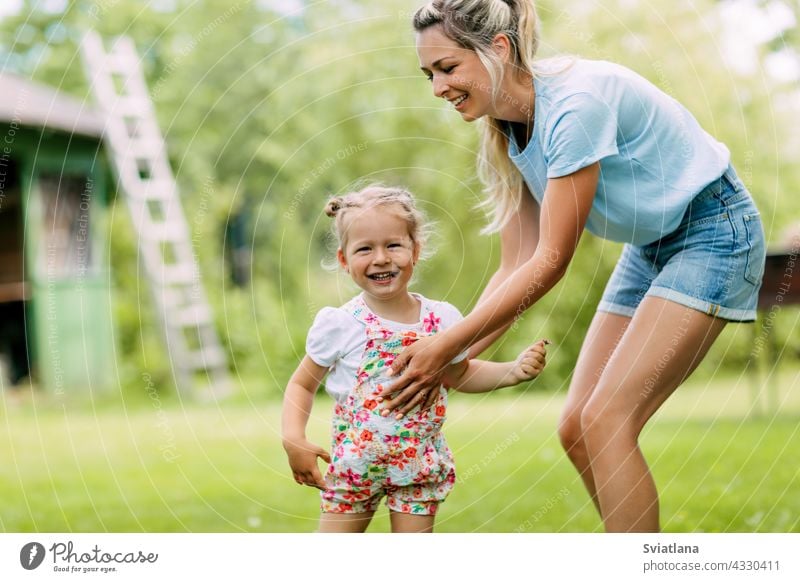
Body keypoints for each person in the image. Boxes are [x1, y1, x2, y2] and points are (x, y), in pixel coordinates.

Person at [379, 0, 766, 532]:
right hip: (651, 245)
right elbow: (515, 263)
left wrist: (445, 349)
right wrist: (452, 361)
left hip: (713, 230)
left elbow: (552, 261)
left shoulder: (574, 107)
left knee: (606, 421)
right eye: (429, 74)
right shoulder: (505, 123)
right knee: (578, 430)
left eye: (448, 68)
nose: (438, 88)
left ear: (497, 49)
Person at [281, 184, 548, 533]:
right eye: (365, 249)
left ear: (415, 250)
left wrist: (511, 371)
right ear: (344, 260)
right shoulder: (340, 324)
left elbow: (459, 376)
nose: (381, 258)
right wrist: (293, 439)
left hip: (418, 469)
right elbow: (302, 384)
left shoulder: (443, 321)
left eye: (393, 245)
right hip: (354, 469)